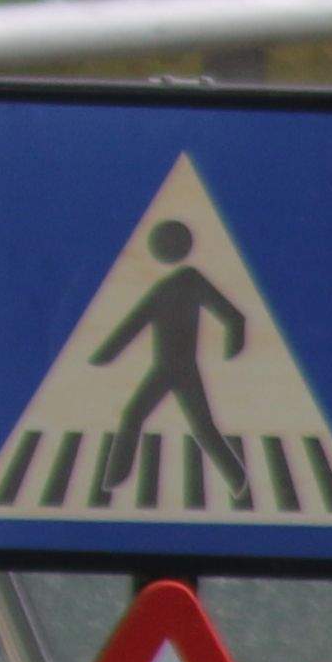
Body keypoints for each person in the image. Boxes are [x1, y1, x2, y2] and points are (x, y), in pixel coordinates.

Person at [90, 216, 251, 505]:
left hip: (180, 370)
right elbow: (133, 325)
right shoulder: (167, 288)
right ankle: (114, 480)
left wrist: (234, 342)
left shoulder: (190, 280)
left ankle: (238, 480)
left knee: (194, 425)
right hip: (165, 369)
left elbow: (233, 316)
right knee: (137, 416)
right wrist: (103, 356)